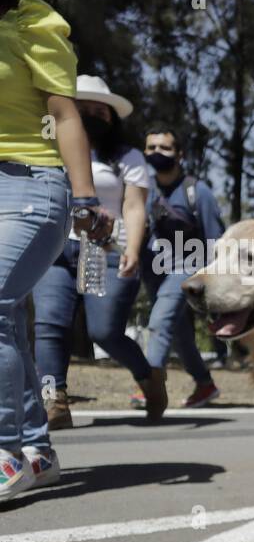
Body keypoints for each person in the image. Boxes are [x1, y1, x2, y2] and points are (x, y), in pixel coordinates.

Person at [0, 0, 103, 500]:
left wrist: (84, 198)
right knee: (10, 315)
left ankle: (3, 453)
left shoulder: (31, 22)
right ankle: (37, 450)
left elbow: (64, 114)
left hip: (31, 183)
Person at [32, 75, 161, 422]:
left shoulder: (127, 157)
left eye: (98, 110)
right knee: (49, 325)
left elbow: (134, 206)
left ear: (111, 116)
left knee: (104, 332)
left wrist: (132, 248)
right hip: (56, 248)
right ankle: (54, 401)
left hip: (106, 249)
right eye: (82, 108)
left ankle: (149, 378)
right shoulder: (46, 147)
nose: (90, 115)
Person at [131, 126, 225, 411]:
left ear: (180, 155)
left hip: (188, 267)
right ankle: (205, 383)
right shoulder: (145, 191)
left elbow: (216, 240)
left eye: (164, 148)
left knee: (159, 322)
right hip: (155, 270)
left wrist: (215, 282)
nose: (156, 153)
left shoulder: (199, 192)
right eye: (151, 148)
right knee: (181, 336)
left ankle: (147, 384)